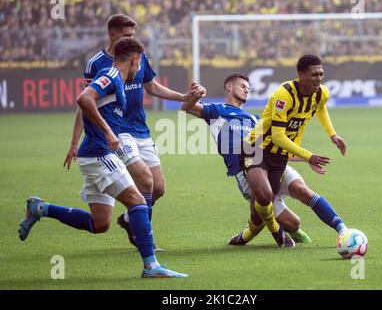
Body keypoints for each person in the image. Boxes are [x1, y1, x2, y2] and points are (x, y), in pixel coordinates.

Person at [19, 38, 187, 278]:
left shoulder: (114, 77)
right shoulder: (110, 75)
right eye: (139, 64)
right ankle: (151, 266)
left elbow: (89, 103)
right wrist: (108, 132)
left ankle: (40, 208)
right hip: (99, 153)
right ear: (134, 60)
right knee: (138, 201)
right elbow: (83, 99)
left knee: (100, 224)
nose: (139, 70)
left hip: (93, 154)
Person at [64, 14, 205, 251]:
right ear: (113, 34)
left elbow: (150, 86)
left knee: (158, 187)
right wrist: (74, 142)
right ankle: (145, 242)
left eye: (133, 35)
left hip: (141, 128)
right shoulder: (97, 64)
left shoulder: (137, 57)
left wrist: (183, 97)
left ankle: (130, 220)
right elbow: (85, 103)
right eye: (126, 35)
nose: (131, 39)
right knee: (145, 180)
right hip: (119, 131)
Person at [181, 73, 308, 246]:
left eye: (248, 88)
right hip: (243, 170)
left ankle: (247, 235)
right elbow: (187, 108)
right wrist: (196, 95)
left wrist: (307, 157)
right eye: (242, 86)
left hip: (266, 165)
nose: (246, 90)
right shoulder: (217, 111)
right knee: (286, 220)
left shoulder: (255, 119)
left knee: (291, 222)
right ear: (229, 87)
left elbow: (275, 147)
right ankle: (271, 234)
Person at [240, 54, 347, 247]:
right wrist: (308, 156)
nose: (319, 78)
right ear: (301, 74)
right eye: (314, 74)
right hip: (256, 148)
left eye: (321, 73)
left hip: (280, 156)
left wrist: (332, 135)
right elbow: (279, 136)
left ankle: (342, 229)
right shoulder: (284, 95)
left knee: (261, 210)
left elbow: (320, 108)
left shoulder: (321, 93)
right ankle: (275, 236)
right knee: (264, 197)